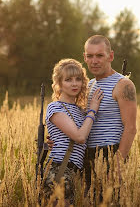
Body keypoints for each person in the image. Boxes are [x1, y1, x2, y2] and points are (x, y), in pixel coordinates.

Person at [42, 58, 103, 205]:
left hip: (76, 173)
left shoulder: (82, 112)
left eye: (78, 79)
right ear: (59, 84)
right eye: (68, 80)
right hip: (60, 170)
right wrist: (93, 110)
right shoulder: (55, 107)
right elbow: (80, 137)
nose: (74, 83)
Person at [82, 35, 137, 197]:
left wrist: (117, 166)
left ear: (110, 56)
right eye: (90, 56)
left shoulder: (123, 84)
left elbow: (131, 128)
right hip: (87, 156)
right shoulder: (89, 85)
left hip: (110, 154)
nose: (94, 61)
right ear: (84, 57)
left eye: (100, 55)